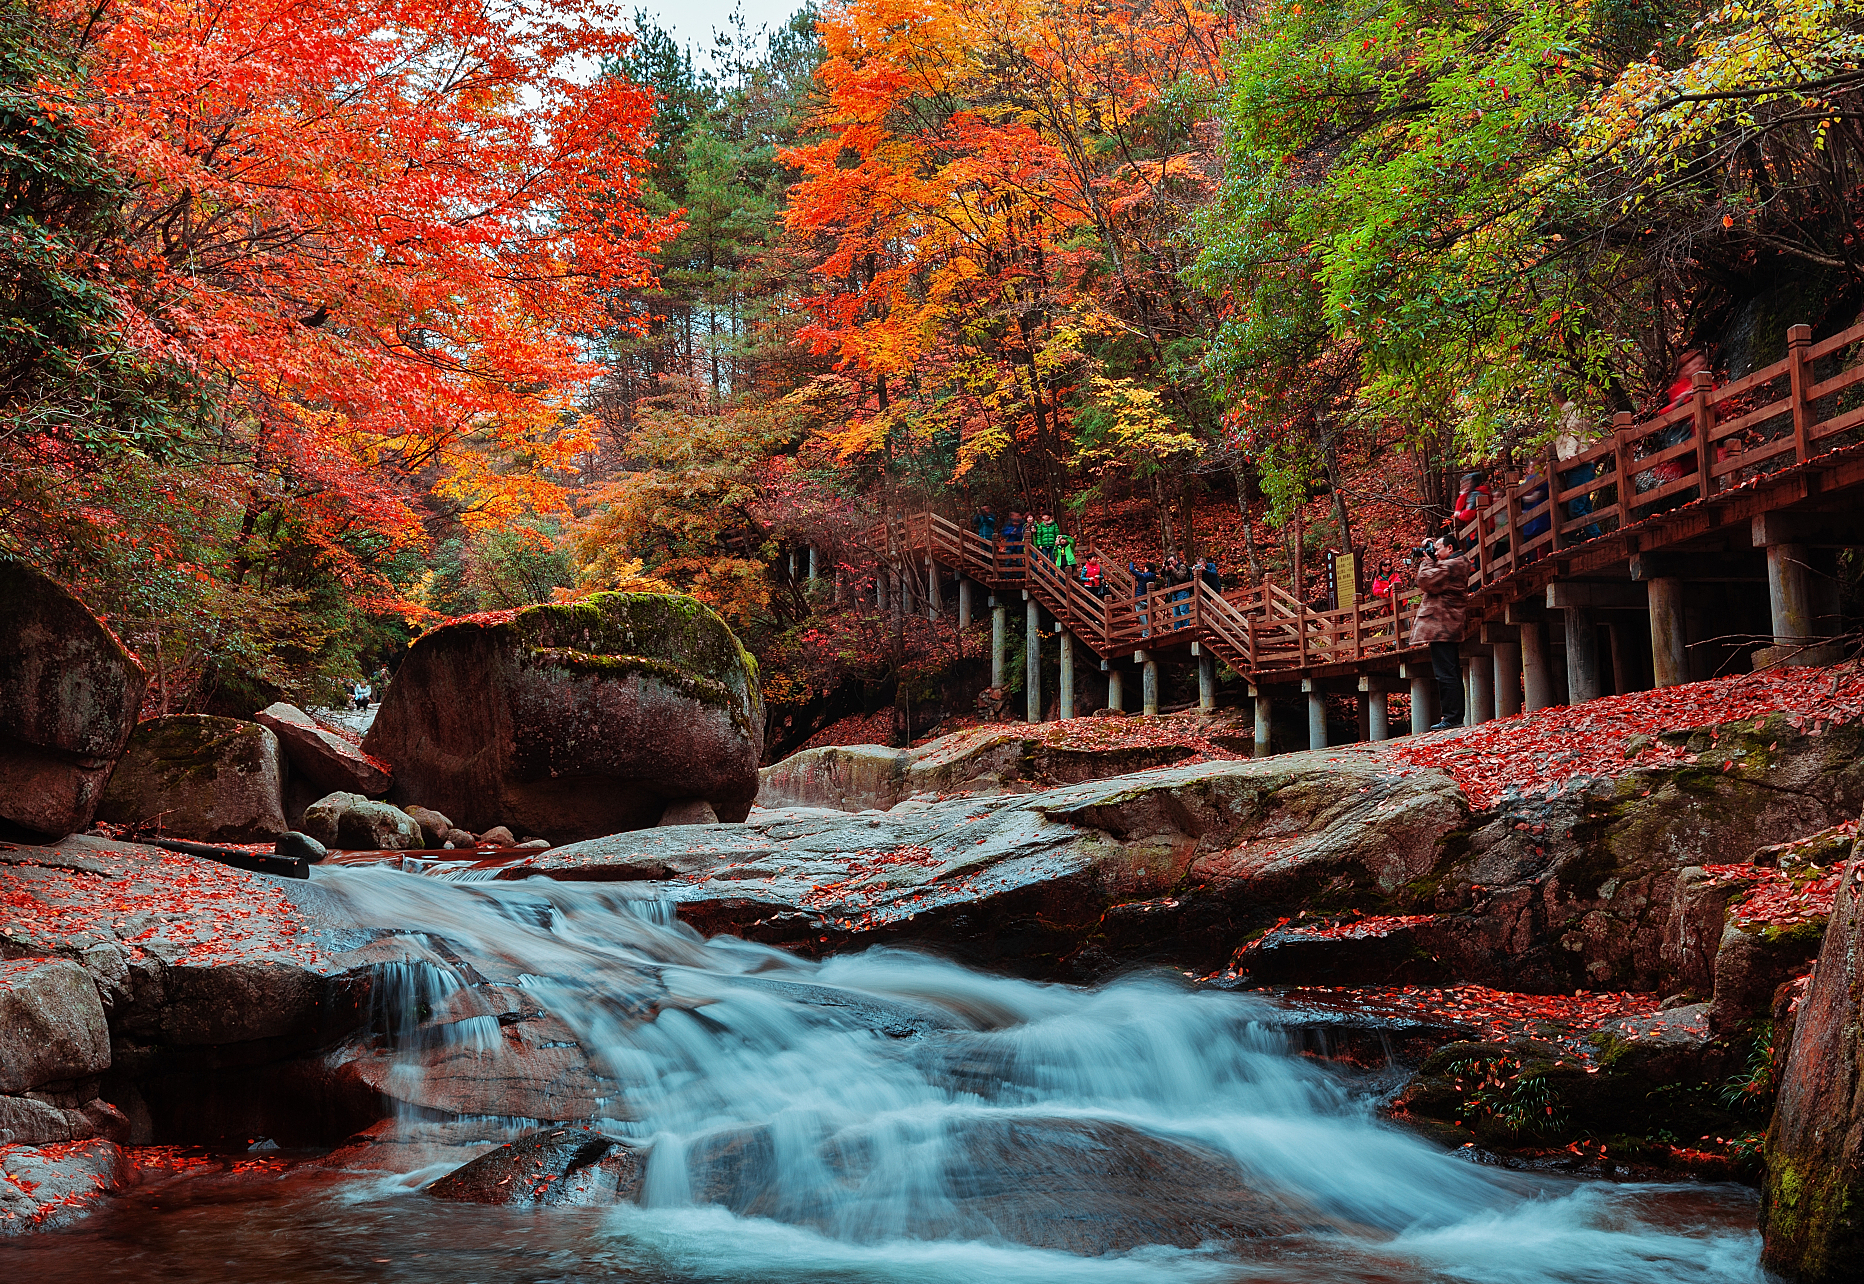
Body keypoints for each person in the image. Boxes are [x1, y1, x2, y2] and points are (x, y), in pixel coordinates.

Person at [1411, 536, 1470, 730]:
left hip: (1444, 626)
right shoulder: (1454, 563)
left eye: (1438, 548)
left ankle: (1452, 717)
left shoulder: (1453, 565)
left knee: (1446, 673)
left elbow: (1426, 581)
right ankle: (1453, 716)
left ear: (1450, 548)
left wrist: (1427, 561)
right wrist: (1432, 548)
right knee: (1449, 671)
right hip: (1445, 625)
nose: (1435, 553)